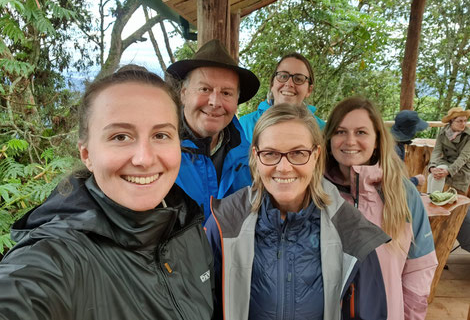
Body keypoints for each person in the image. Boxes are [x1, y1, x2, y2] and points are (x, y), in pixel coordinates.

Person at [0, 67, 214, 320]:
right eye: (120, 136)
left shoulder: (187, 225)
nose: (144, 158)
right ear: (87, 154)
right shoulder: (57, 256)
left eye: (160, 135)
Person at [206, 103, 391, 320]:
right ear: (256, 156)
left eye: (298, 153)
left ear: (316, 155)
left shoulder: (349, 228)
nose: (284, 167)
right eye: (271, 153)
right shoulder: (225, 221)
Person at [324, 97, 438, 320]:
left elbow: (419, 267)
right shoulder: (315, 192)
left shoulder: (402, 192)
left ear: (376, 139)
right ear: (328, 138)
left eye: (361, 132)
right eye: (340, 131)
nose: (350, 141)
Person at [166, 39, 260, 220]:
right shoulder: (156, 154)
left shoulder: (252, 159)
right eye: (204, 89)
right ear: (183, 93)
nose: (215, 102)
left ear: (236, 101)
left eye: (226, 93)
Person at [239, 52, 325, 142]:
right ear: (272, 83)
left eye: (299, 79)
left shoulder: (322, 129)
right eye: (283, 76)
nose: (289, 84)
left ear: (309, 90)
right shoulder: (245, 125)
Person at [427, 107, 470, 252]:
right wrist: (433, 167)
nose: (463, 124)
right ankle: (432, 208)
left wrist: (448, 171)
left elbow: (463, 159)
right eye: (459, 121)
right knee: (432, 176)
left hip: (461, 170)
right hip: (445, 165)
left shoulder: (468, 136)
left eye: (465, 121)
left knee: (455, 212)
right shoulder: (443, 132)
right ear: (451, 121)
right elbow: (436, 152)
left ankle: (444, 245)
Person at [391, 110, 429, 186]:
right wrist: (415, 180)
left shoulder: (398, 144)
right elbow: (393, 184)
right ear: (410, 131)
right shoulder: (394, 150)